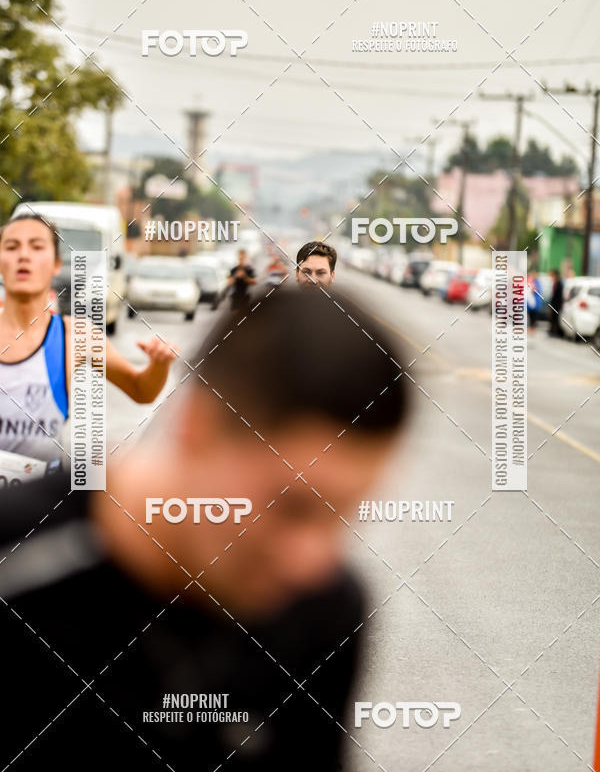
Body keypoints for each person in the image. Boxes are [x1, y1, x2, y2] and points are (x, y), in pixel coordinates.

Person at [0, 287, 411, 771]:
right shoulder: (18, 560)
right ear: (197, 424)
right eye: (293, 507)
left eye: (345, 515)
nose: (311, 562)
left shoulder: (325, 613)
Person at [0, 214, 178, 463]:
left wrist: (159, 365)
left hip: (39, 499)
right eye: (12, 247)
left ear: (55, 263)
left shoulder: (76, 336)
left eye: (37, 246)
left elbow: (141, 391)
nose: (24, 255)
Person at [548, 268, 564, 337]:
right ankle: (552, 330)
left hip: (557, 305)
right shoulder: (556, 283)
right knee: (553, 318)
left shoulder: (559, 284)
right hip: (554, 304)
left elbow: (558, 297)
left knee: (556, 318)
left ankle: (556, 332)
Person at [527, 269, 543, 336]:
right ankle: (531, 328)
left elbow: (535, 290)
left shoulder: (537, 282)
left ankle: (532, 329)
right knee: (531, 317)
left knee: (534, 317)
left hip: (536, 304)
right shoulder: (531, 281)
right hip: (530, 304)